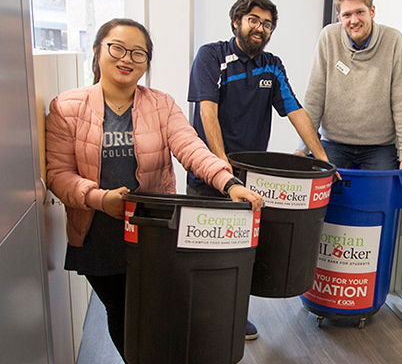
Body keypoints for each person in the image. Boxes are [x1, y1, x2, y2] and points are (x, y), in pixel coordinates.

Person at [45, 18, 263, 361]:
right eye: (117, 48)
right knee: (122, 309)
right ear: (97, 50)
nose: (127, 58)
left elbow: (191, 147)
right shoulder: (67, 107)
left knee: (157, 308)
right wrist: (100, 199)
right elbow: (58, 174)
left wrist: (229, 183)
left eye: (138, 53)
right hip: (97, 233)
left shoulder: (160, 104)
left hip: (153, 232)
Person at [187, 0, 330, 198]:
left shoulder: (272, 66)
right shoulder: (212, 55)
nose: (260, 28)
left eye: (267, 24)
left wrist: (323, 160)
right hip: (210, 174)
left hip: (251, 176)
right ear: (236, 22)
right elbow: (207, 111)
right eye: (253, 20)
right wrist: (222, 165)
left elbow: (295, 111)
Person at [296, 0, 402, 184]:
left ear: (372, 11)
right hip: (334, 142)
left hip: (379, 146)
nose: (354, 20)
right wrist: (303, 148)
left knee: (381, 199)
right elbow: (315, 96)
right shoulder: (329, 37)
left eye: (360, 12)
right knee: (321, 202)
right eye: (347, 15)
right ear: (339, 17)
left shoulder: (393, 40)